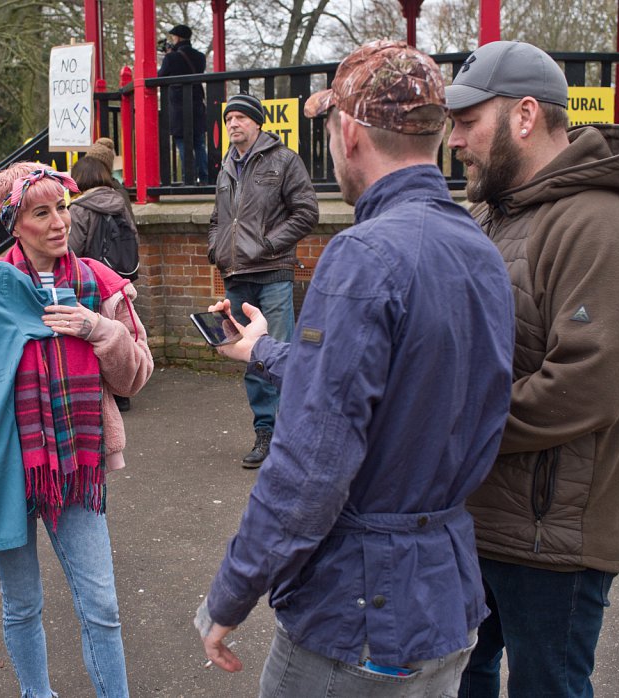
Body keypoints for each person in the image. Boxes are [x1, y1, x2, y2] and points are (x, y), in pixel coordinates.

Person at [196, 41, 516, 697]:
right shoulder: (479, 249)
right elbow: (395, 387)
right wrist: (260, 348)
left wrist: (229, 596)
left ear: (348, 133)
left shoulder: (363, 257)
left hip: (359, 613)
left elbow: (310, 464)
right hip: (446, 600)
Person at [445, 41, 619, 697]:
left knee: (548, 685)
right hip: (478, 510)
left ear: (524, 115)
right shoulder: (490, 215)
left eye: (468, 122)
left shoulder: (602, 222)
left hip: (556, 529)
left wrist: (454, 428)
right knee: (460, 672)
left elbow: (586, 383)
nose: (455, 140)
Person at [0, 162, 152, 697]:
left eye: (62, 208)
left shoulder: (100, 283)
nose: (59, 222)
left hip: (78, 464)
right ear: (15, 224)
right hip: (10, 465)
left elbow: (136, 375)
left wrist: (99, 329)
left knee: (101, 606)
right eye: (41, 212)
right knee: (22, 605)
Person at [208, 93, 318, 466]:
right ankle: (265, 433)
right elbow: (216, 219)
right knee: (251, 357)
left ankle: (293, 436)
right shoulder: (226, 167)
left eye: (240, 117)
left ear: (257, 122)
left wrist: (268, 244)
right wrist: (216, 249)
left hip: (272, 273)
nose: (233, 124)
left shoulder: (284, 160)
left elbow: (306, 212)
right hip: (236, 274)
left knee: (279, 354)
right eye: (228, 119)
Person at [70, 138, 140, 412]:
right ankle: (125, 389)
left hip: (93, 280)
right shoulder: (120, 200)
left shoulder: (79, 209)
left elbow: (72, 249)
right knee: (121, 331)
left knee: (98, 335)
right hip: (121, 277)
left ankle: (106, 390)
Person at [157, 24, 208, 184]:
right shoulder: (200, 57)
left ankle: (189, 179)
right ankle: (206, 178)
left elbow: (160, 76)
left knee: (182, 143)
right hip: (197, 105)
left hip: (179, 107)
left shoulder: (171, 58)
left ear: (177, 38)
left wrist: (168, 56)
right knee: (199, 143)